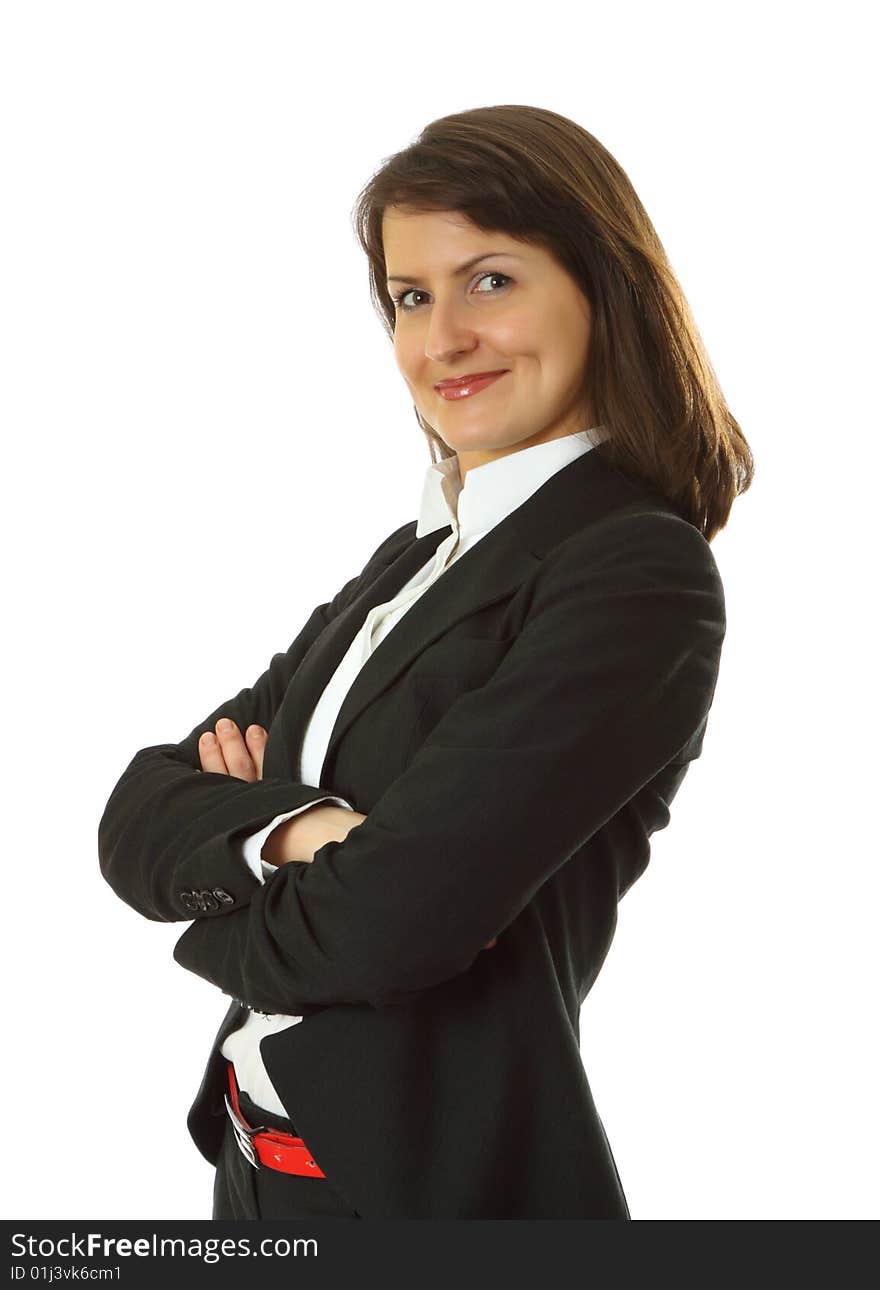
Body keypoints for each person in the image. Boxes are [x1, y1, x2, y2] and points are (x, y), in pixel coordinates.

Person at [98, 103, 753, 1220]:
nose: (440, 337)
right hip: (257, 1178)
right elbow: (135, 813)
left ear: (601, 287)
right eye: (410, 296)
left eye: (489, 281)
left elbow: (395, 922)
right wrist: (306, 830)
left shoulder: (634, 572)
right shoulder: (415, 558)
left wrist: (233, 866)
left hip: (425, 1206)